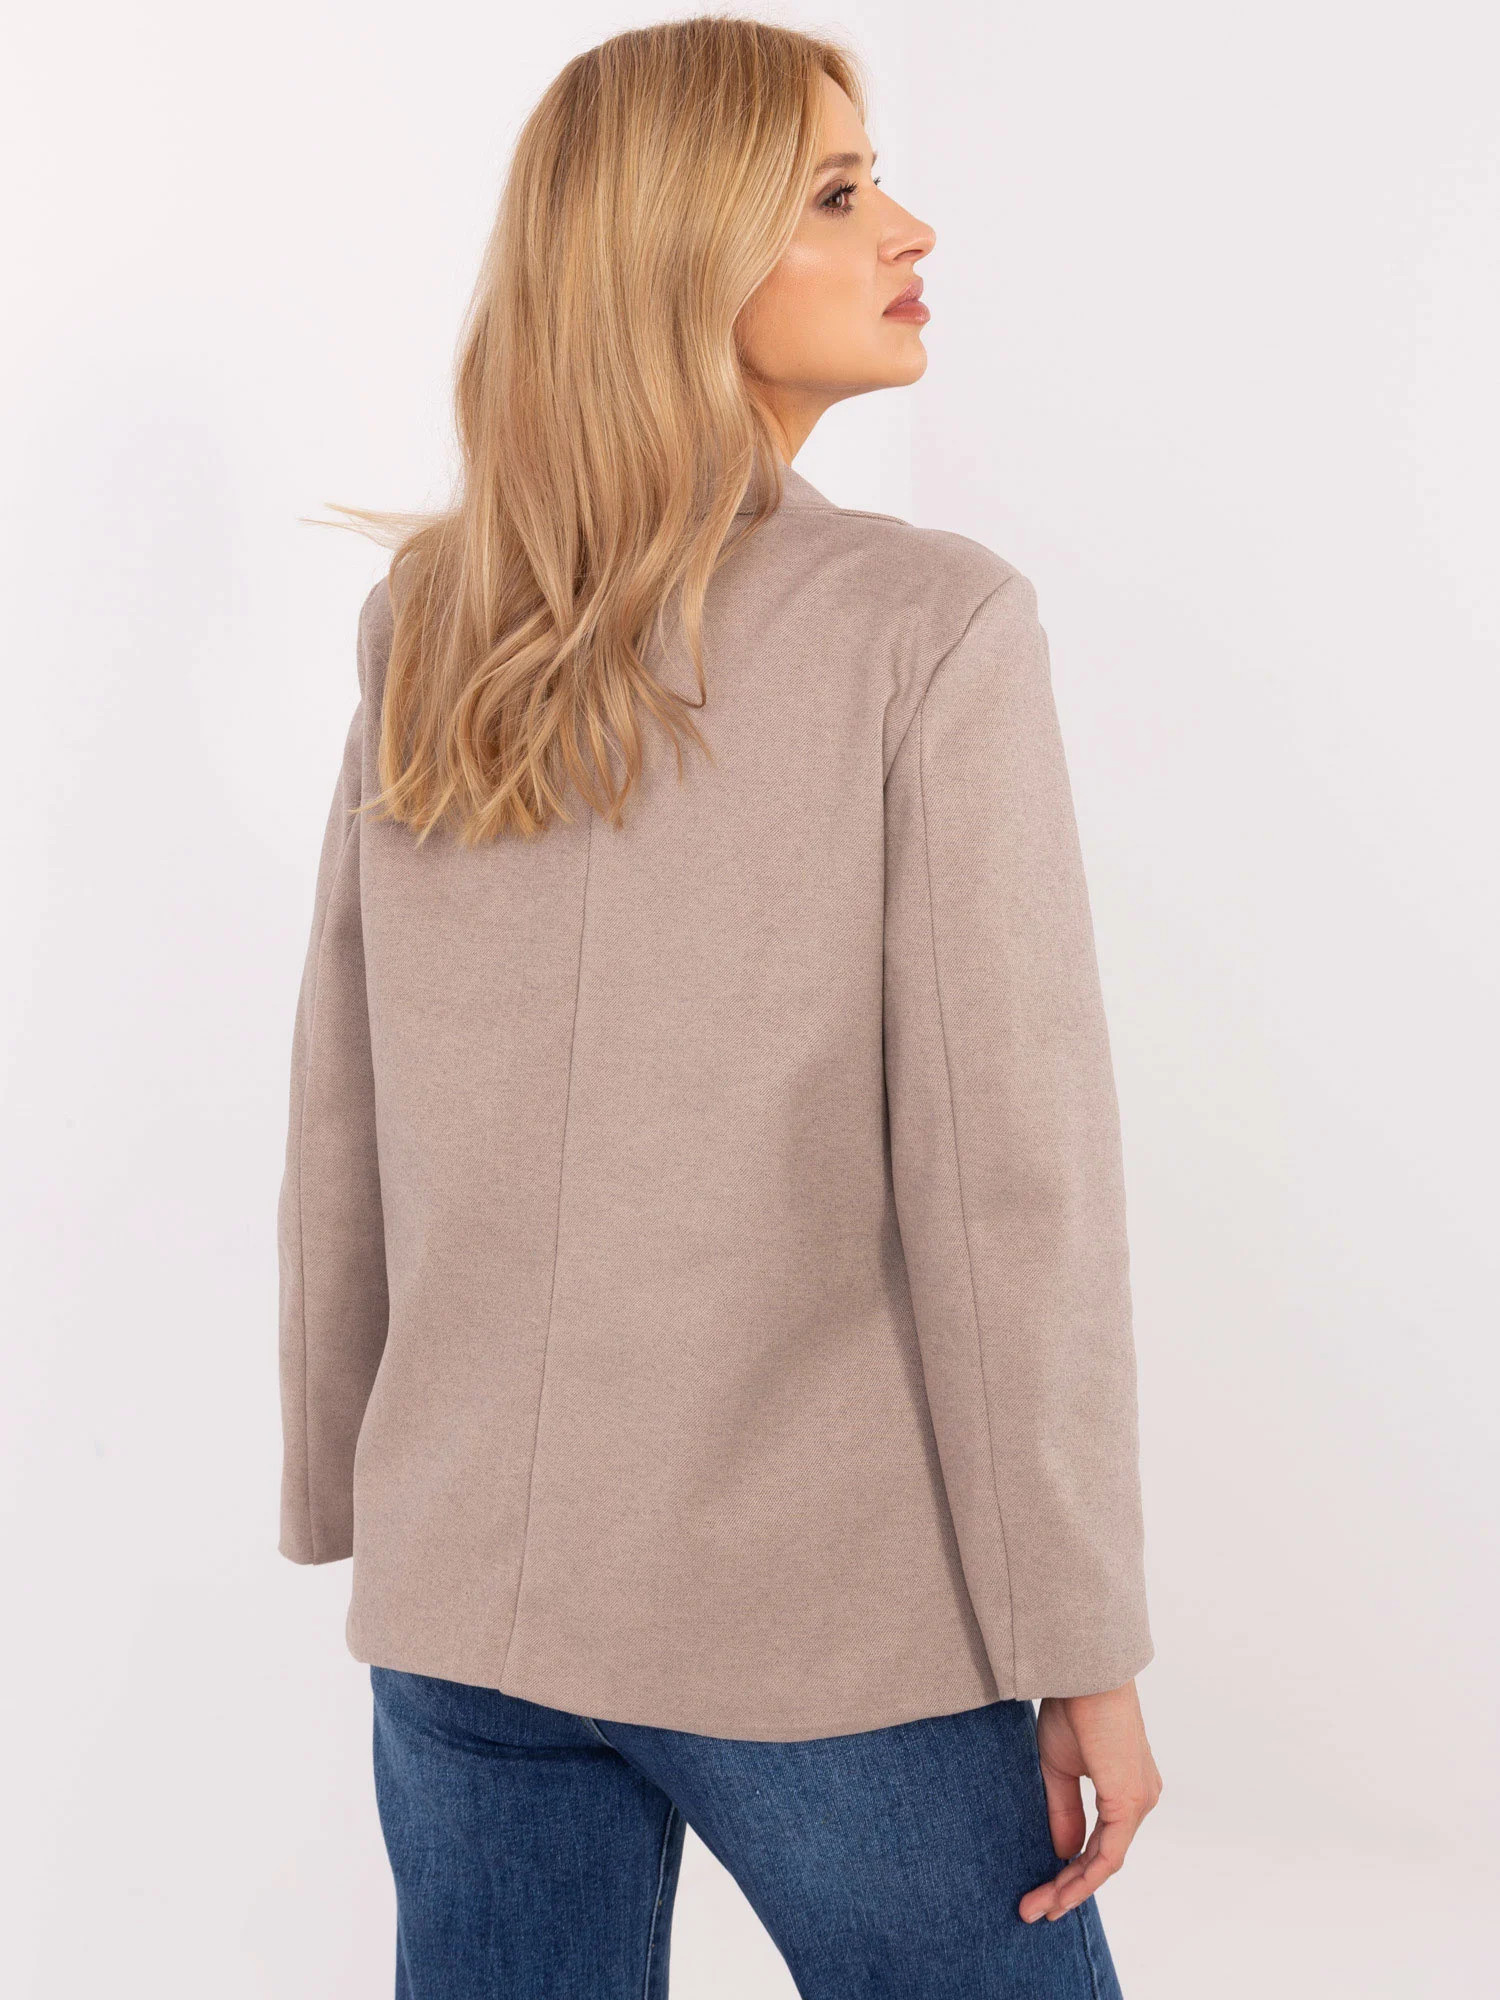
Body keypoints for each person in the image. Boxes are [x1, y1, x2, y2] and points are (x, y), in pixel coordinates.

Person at [276, 16, 1161, 1997]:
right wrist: (1079, 1638)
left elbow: (345, 1097)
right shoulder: (928, 626)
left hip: (465, 1590)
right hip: (811, 1620)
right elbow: (1004, 1180)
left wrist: (355, 1479)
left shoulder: (436, 621)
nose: (908, 228)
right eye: (838, 193)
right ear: (683, 252)